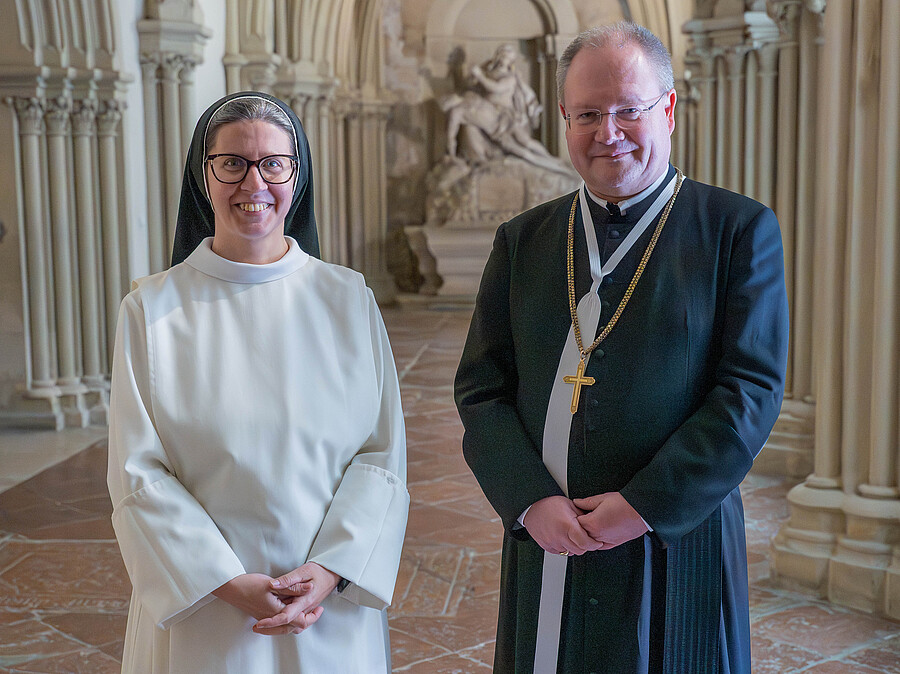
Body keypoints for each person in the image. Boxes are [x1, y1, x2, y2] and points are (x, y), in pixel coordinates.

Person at [454, 23, 788, 674]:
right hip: (550, 535)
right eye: (587, 114)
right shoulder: (523, 240)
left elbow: (749, 392)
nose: (607, 131)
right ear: (563, 119)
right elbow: (481, 388)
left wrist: (644, 506)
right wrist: (528, 500)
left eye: (628, 110)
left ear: (666, 109)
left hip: (674, 533)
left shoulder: (736, 231)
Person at [107, 92, 409, 673]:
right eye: (232, 164)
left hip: (325, 600)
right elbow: (137, 469)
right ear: (205, 175)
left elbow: (382, 450)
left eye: (274, 163)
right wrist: (224, 579)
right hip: (205, 604)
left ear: (296, 175)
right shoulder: (152, 309)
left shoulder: (348, 299)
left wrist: (331, 568)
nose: (255, 183)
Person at [442, 43, 569, 174]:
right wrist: (474, 77)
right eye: (503, 56)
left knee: (526, 143)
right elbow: (473, 87)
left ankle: (552, 160)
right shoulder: (487, 72)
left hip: (505, 117)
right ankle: (554, 165)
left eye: (507, 57)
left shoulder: (510, 77)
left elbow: (496, 89)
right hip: (492, 115)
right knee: (523, 149)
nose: (504, 59)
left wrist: (480, 76)